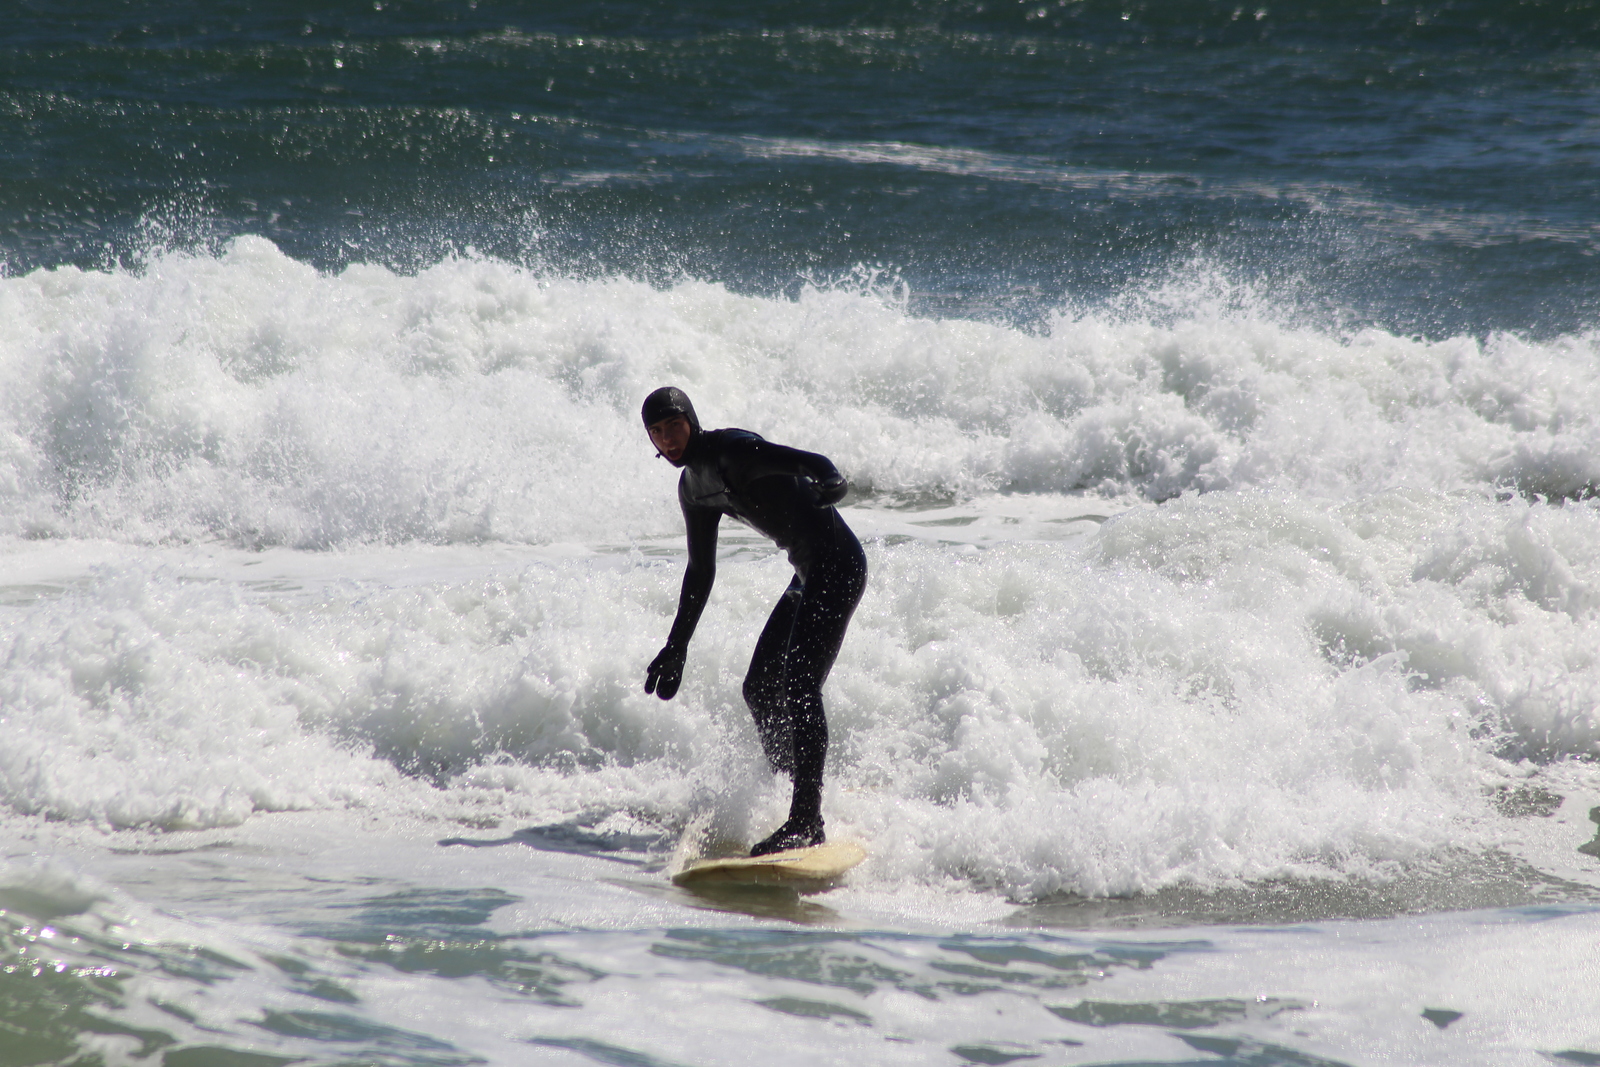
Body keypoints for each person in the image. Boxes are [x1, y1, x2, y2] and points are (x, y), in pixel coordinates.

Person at [640, 386, 866, 856]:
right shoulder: (693, 490)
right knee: (760, 688)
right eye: (656, 433)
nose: (668, 439)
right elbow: (700, 571)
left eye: (674, 426)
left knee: (801, 684)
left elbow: (812, 462)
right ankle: (793, 791)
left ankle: (807, 819)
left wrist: (834, 482)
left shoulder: (735, 451)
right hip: (806, 575)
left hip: (838, 564)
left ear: (692, 420)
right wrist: (677, 644)